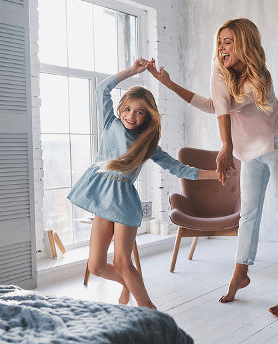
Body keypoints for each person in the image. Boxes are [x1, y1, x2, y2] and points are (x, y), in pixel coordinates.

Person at [147, 18, 278, 317]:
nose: (221, 47)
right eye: (219, 41)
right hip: (250, 152)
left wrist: (226, 146)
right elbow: (213, 105)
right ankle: (240, 273)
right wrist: (167, 83)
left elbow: (222, 106)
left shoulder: (260, 78)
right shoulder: (220, 72)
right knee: (248, 214)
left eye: (228, 41)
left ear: (244, 44)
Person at [68, 58, 218, 308]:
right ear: (120, 109)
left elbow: (180, 168)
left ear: (148, 116)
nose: (132, 116)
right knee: (96, 266)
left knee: (123, 262)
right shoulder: (110, 124)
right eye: (127, 109)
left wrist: (216, 174)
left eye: (139, 112)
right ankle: (127, 284)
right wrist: (133, 71)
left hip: (123, 203)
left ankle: (149, 310)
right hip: (101, 199)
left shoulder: (148, 145)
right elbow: (101, 89)